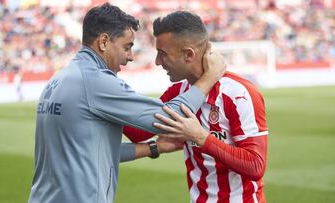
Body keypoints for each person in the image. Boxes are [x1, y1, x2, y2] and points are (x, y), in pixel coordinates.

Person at [28, 3, 226, 203]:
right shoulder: (95, 81)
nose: (130, 56)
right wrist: (208, 78)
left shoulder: (60, 78)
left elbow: (93, 151)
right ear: (104, 42)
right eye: (127, 47)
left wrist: (155, 148)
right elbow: (167, 118)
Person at [123, 11, 268, 203]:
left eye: (163, 54)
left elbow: (256, 165)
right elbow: (138, 133)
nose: (158, 62)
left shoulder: (239, 94)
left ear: (189, 54)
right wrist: (105, 100)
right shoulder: (178, 92)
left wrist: (200, 137)